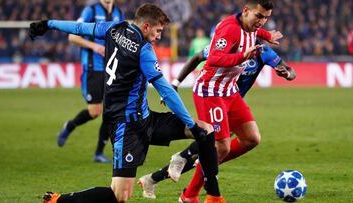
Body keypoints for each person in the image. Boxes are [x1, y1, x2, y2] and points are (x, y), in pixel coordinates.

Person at [29, 3, 225, 203]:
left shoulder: (114, 28)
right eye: (158, 31)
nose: (159, 36)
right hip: (125, 125)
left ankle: (213, 192)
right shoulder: (144, 51)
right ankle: (58, 200)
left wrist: (48, 23)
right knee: (119, 195)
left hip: (145, 118)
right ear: (146, 27)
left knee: (206, 129)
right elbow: (165, 91)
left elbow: (80, 28)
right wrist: (190, 123)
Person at [141, 0, 283, 202]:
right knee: (221, 147)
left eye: (266, 18)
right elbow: (214, 58)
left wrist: (268, 35)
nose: (262, 22)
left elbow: (256, 32)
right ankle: (192, 194)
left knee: (251, 138)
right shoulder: (228, 29)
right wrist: (242, 56)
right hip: (210, 91)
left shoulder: (251, 27)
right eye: (259, 16)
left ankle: (198, 161)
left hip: (229, 91)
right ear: (245, 11)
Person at [56, 0, 124, 163]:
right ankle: (70, 126)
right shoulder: (90, 11)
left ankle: (99, 153)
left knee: (111, 111)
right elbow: (72, 36)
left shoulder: (118, 13)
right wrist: (95, 46)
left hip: (111, 69)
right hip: (93, 68)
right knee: (95, 111)